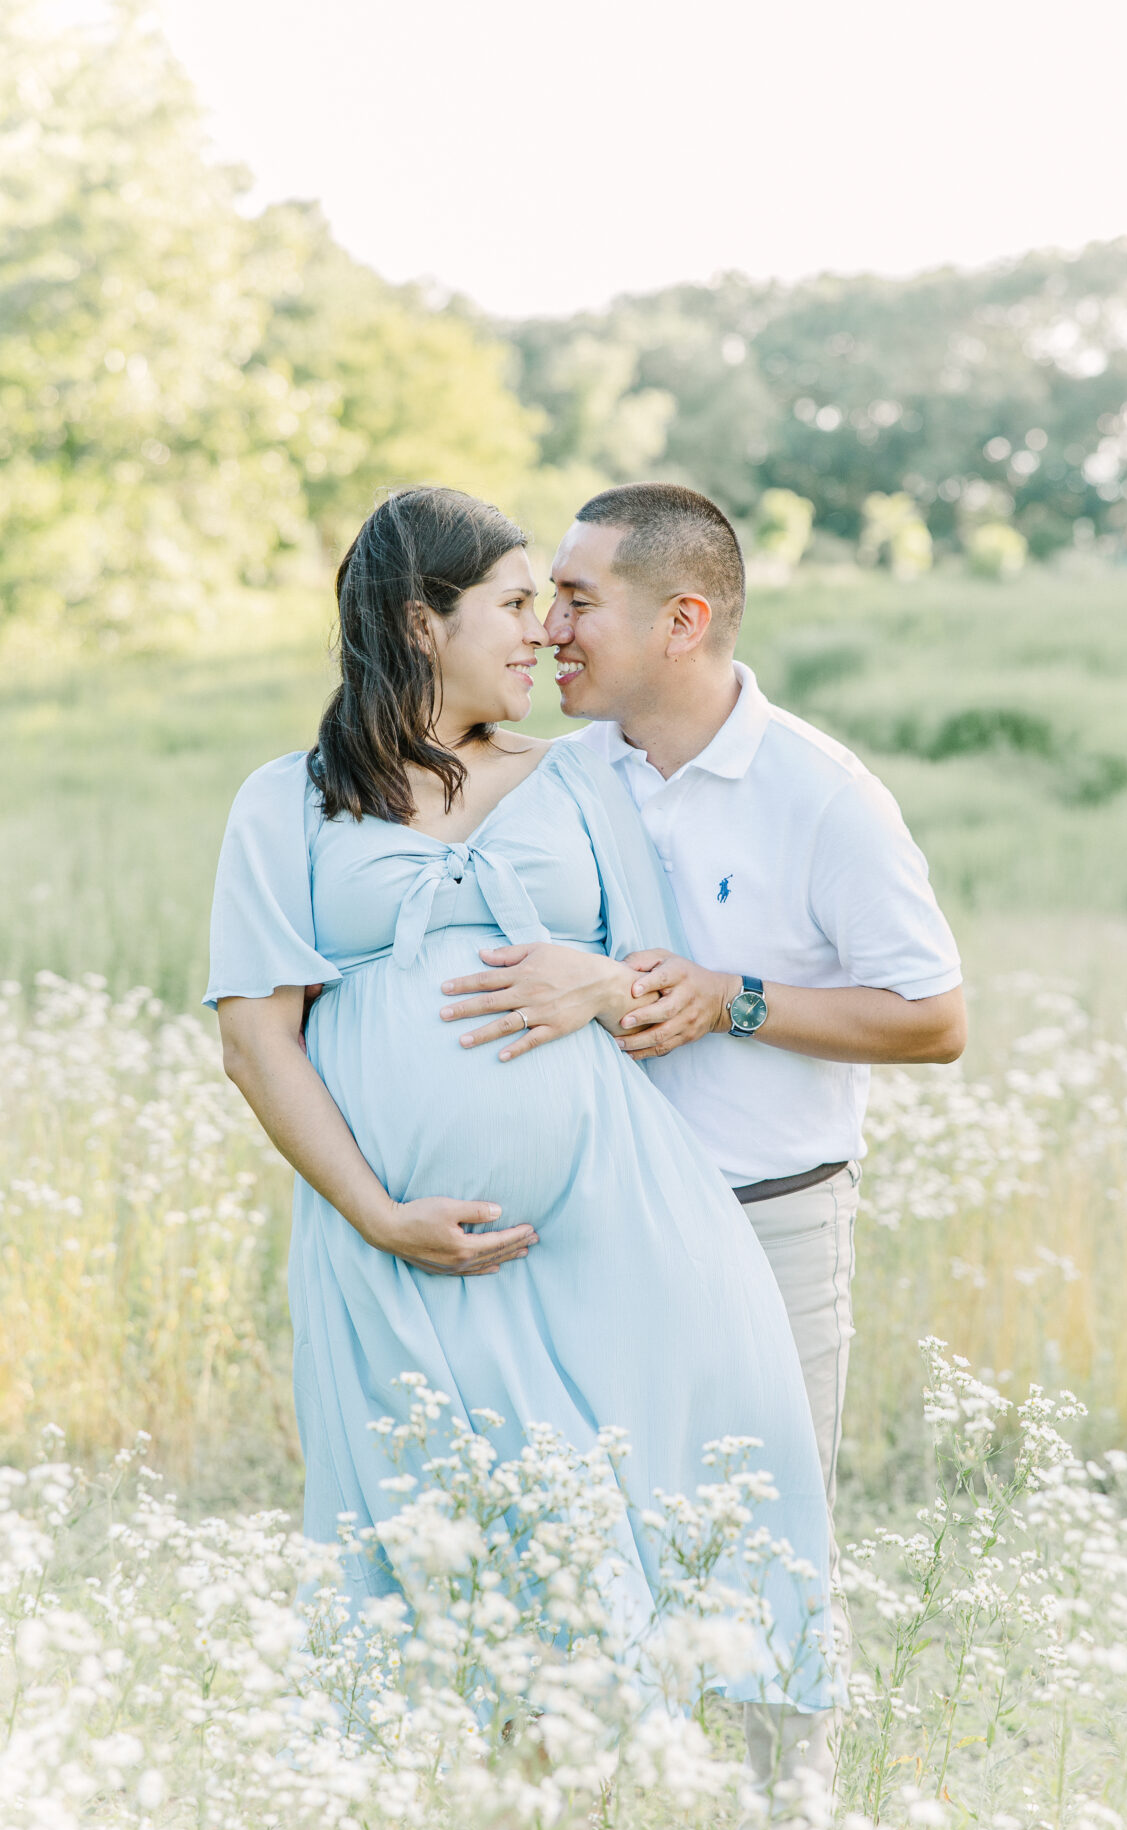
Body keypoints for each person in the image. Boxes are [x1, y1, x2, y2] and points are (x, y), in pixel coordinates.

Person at [205, 485, 839, 1733]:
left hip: (602, 1236)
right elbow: (254, 1040)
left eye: (550, 603)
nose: (542, 630)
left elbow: (654, 988)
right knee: (429, 1566)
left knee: (621, 1555)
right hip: (389, 1254)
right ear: (418, 622)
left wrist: (599, 980)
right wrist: (377, 1213)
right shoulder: (286, 803)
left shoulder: (578, 784)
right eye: (510, 603)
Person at [438, 482, 965, 1830]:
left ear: (683, 619)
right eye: (541, 597)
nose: (548, 626)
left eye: (576, 599)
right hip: (588, 1232)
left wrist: (732, 997)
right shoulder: (557, 775)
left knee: (766, 1551)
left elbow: (935, 1016)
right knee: (565, 1545)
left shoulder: (823, 796)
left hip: (766, 1227)